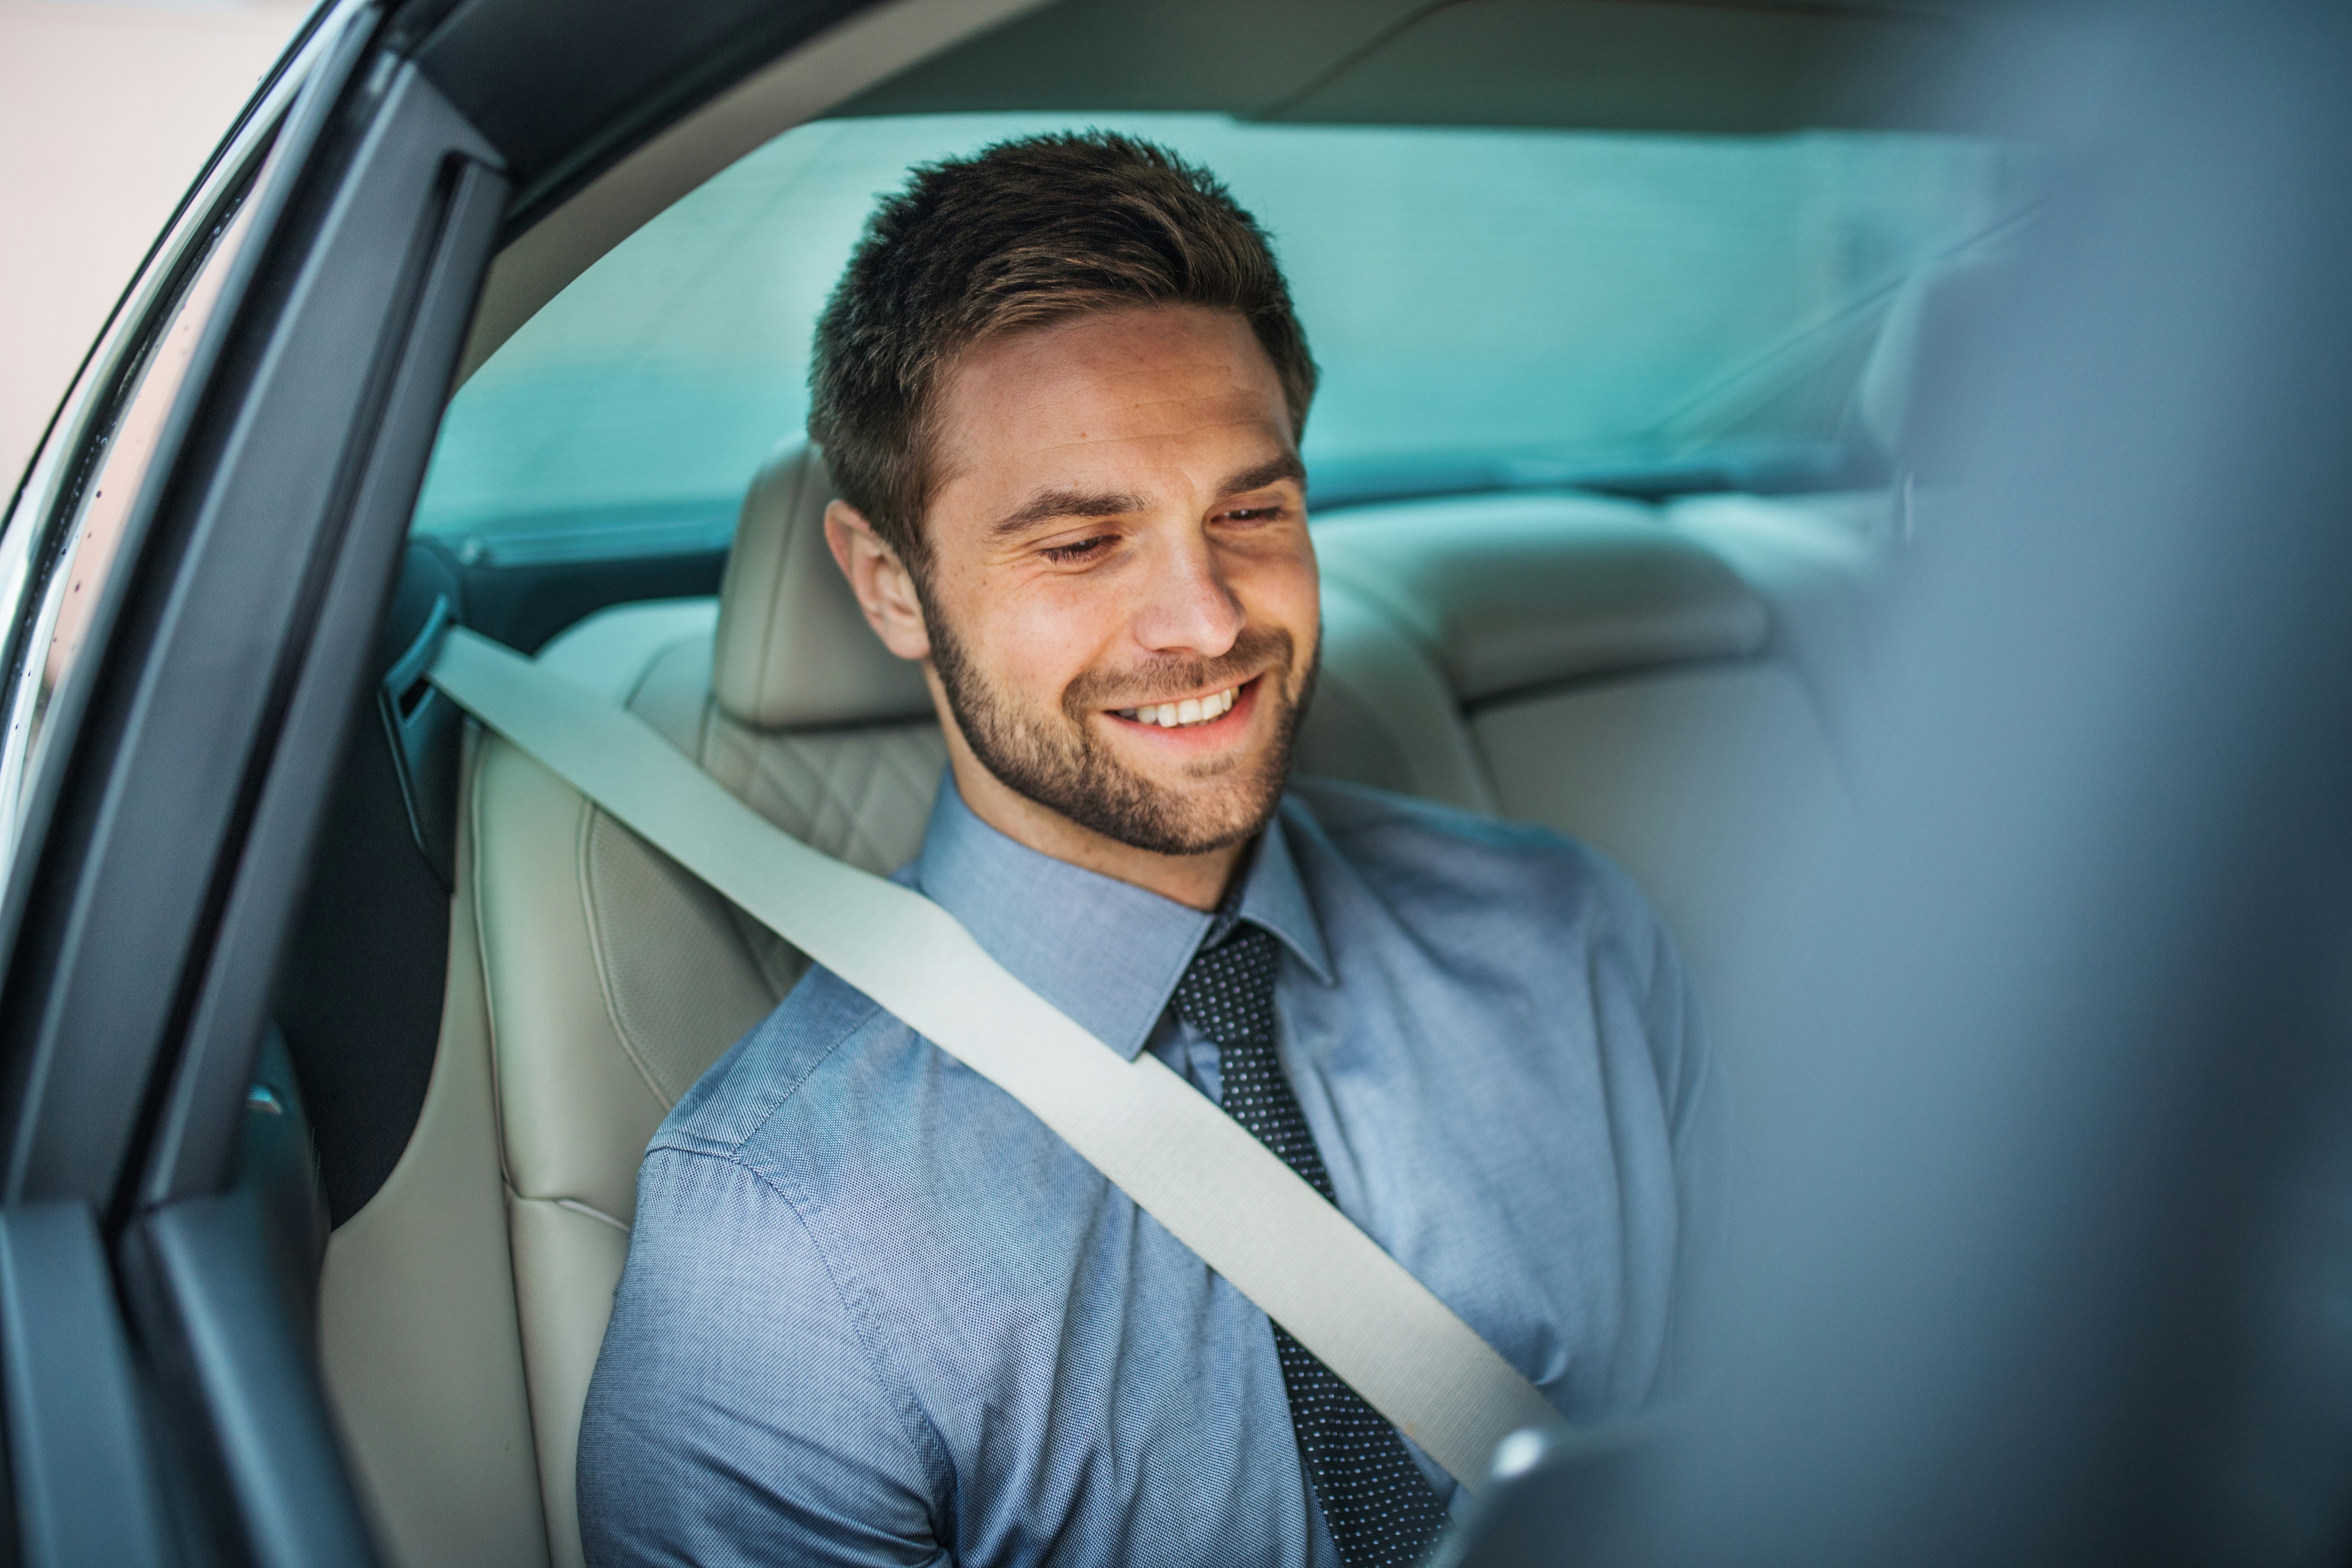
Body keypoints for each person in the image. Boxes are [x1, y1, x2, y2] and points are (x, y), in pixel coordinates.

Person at [577, 131, 1721, 1568]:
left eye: (1252, 511)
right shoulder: (786, 1240)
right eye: (1079, 544)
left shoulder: (1572, 948)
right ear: (890, 585)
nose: (1205, 619)